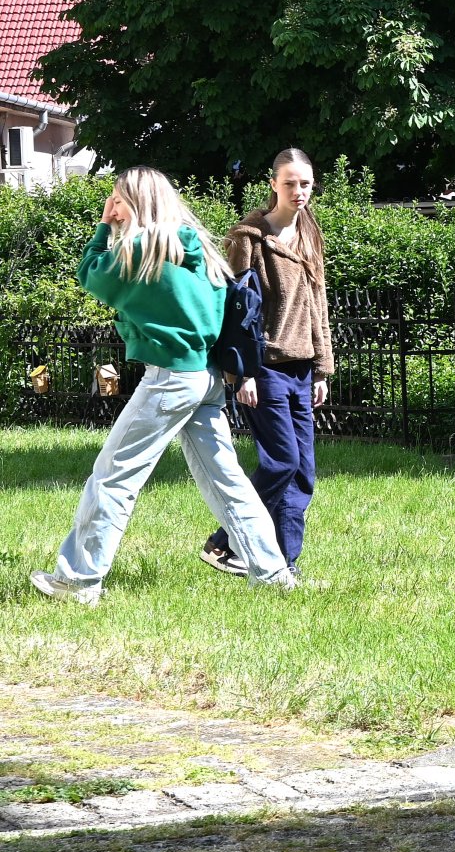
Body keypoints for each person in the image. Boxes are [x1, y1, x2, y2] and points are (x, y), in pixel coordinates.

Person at [31, 167, 296, 604]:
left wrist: (102, 227)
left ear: (137, 203)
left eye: (117, 199)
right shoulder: (197, 249)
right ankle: (273, 574)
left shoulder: (141, 252)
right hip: (206, 380)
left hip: (171, 379)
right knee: (227, 481)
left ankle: (79, 580)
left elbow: (90, 273)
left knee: (113, 477)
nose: (112, 207)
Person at [199, 148, 332, 579]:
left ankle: (284, 564)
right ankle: (224, 543)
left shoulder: (310, 233)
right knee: (281, 463)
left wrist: (322, 368)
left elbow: (318, 304)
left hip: (301, 368)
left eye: (305, 183)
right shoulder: (248, 238)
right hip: (265, 369)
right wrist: (242, 374)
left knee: (303, 473)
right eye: (290, 183)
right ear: (273, 184)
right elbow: (233, 308)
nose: (298, 191)